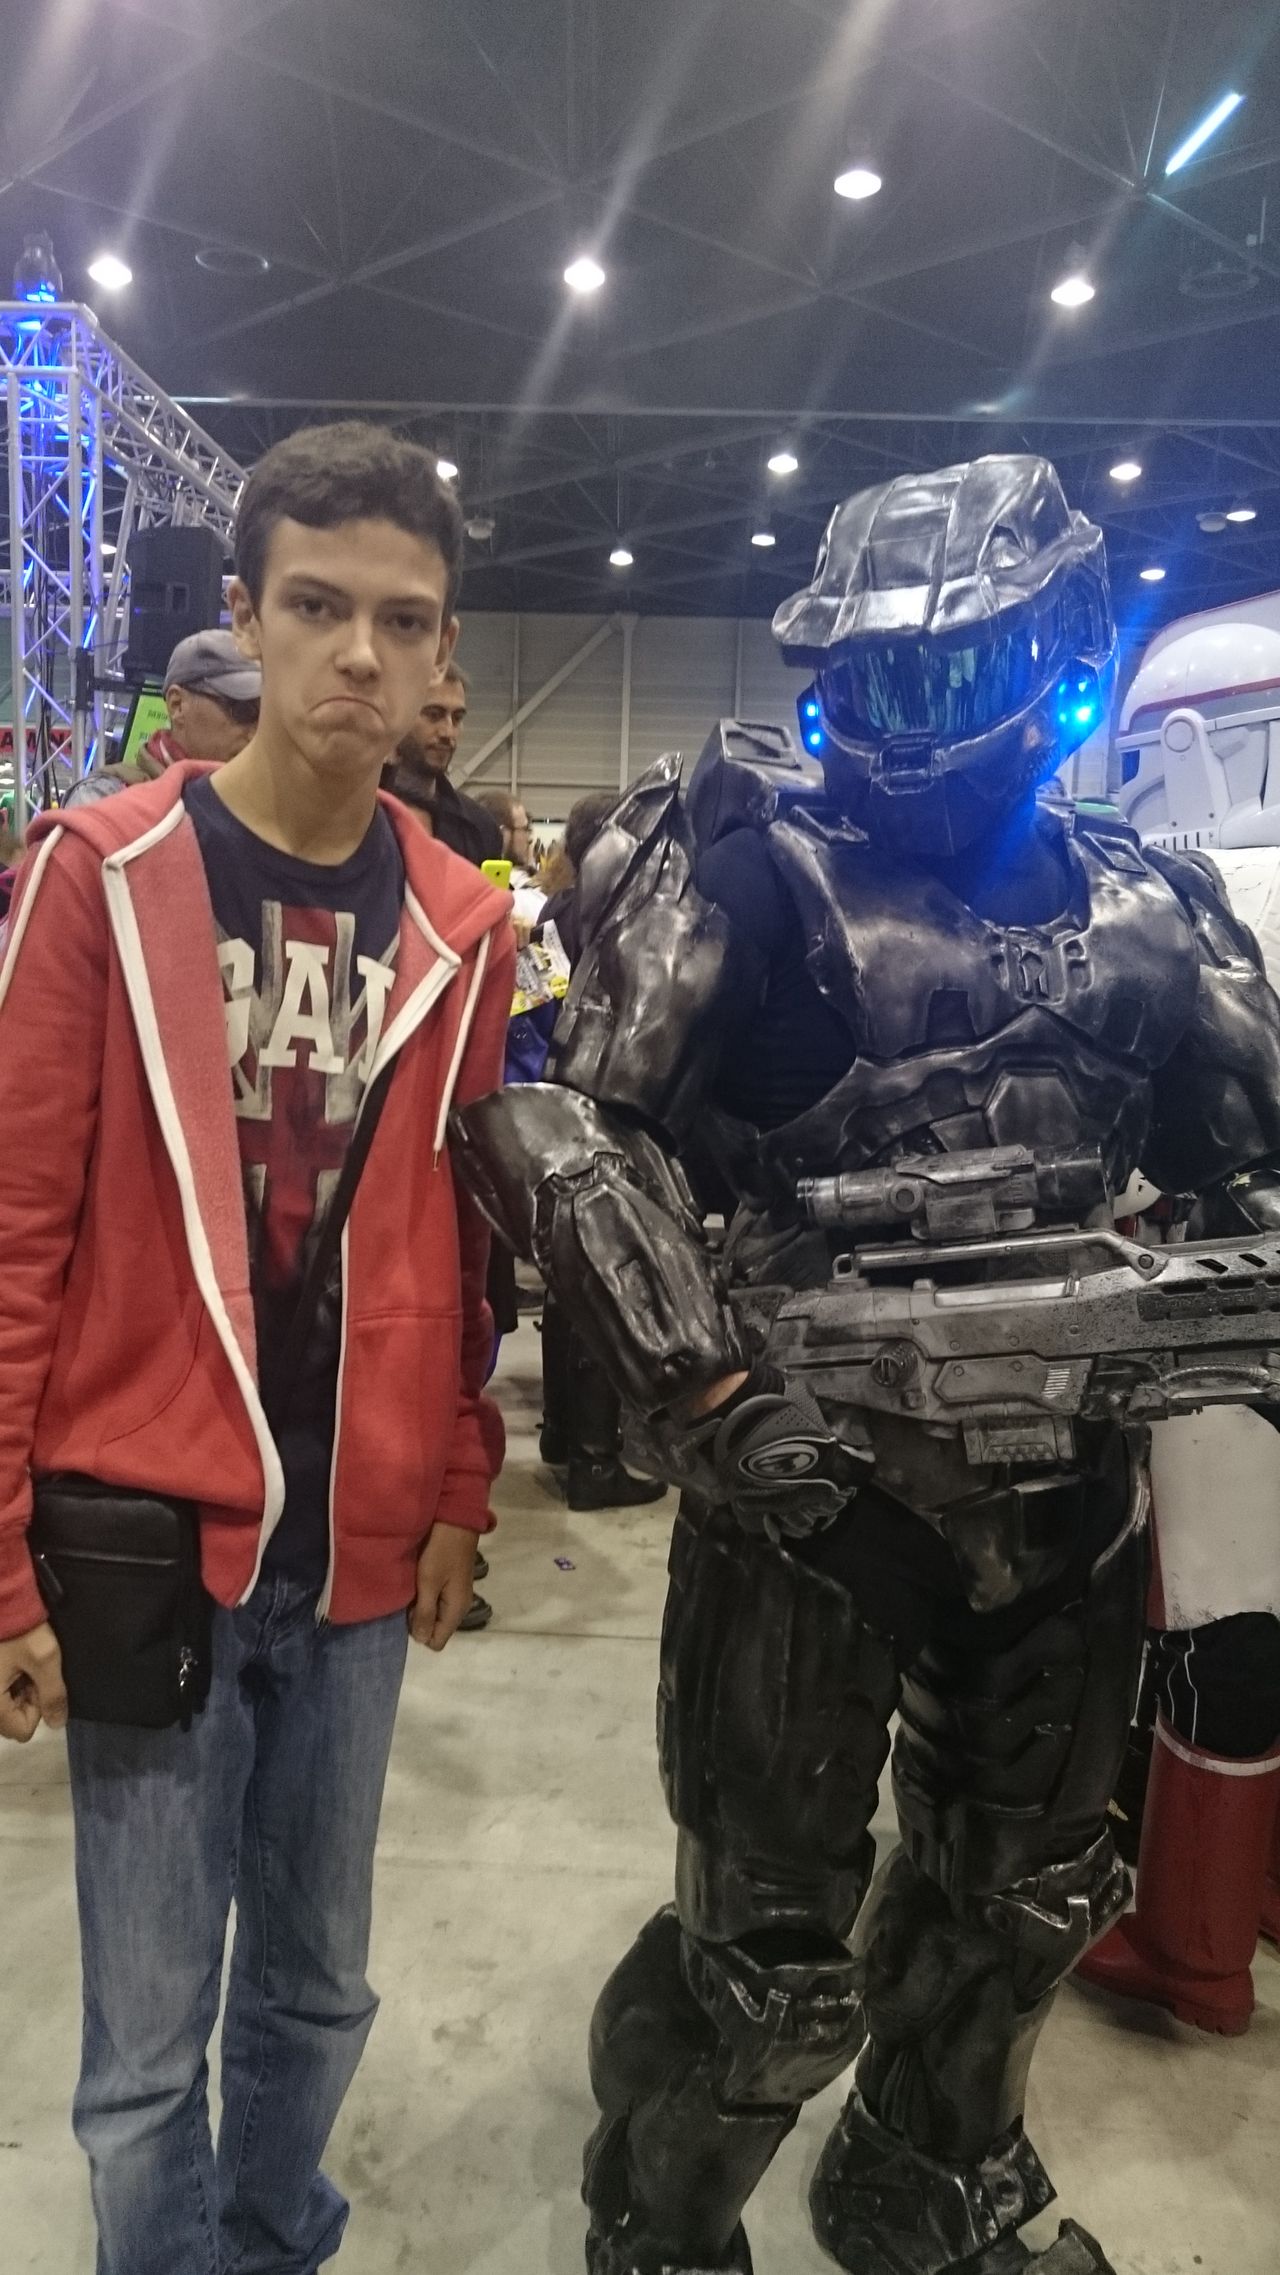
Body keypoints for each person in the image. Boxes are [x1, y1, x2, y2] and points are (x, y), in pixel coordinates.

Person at [451, 455, 1280, 2275]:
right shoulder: (744, 865)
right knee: (768, 1969)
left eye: (945, 670)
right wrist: (706, 1390)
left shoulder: (1153, 906)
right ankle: (662, 2219)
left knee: (1030, 1900)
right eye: (870, 679)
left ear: (1057, 649)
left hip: (1064, 1489)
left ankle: (926, 2175)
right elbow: (562, 1131)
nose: (900, 723)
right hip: (808, 1492)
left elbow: (1250, 1168)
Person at [0, 418, 514, 2275]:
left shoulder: (463, 923)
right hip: (152, 1541)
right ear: (248, 613)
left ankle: (273, 2243)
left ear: (441, 650)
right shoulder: (100, 875)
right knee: (145, 2050)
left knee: (316, 1985)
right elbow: (15, 1230)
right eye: (317, 607)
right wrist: (5, 1567)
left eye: (405, 619)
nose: (361, 655)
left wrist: (460, 1478)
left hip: (359, 1553)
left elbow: (468, 1238)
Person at [64, 629, 263, 808]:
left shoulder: (259, 807)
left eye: (264, 716)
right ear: (177, 704)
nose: (256, 731)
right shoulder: (104, 800)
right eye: (243, 711)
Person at [391, 661, 502, 868]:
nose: (448, 732)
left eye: (457, 718)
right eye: (433, 715)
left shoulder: (480, 827)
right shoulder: (352, 817)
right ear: (396, 714)